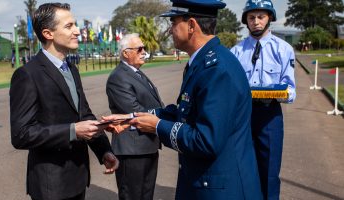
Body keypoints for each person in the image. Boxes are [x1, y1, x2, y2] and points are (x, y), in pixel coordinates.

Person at [104, 0, 262, 199]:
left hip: (221, 188)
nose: (170, 30)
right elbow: (185, 113)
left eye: (173, 22)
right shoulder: (202, 62)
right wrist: (133, 117)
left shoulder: (216, 69)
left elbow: (206, 140)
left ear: (191, 26)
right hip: (205, 181)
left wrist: (158, 126)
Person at [9, 3, 119, 200]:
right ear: (48, 33)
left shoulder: (72, 70)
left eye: (75, 25)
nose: (78, 31)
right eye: (69, 26)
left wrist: (104, 151)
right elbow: (21, 135)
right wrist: (72, 131)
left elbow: (83, 115)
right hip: (51, 185)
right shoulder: (27, 75)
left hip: (77, 177)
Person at [230, 0, 296, 199]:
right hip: (243, 116)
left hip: (269, 116)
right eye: (251, 17)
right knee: (242, 168)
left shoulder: (283, 49)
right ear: (246, 21)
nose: (256, 21)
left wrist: (279, 93)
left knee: (269, 172)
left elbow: (291, 89)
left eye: (261, 17)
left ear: (270, 18)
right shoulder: (236, 51)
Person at [106, 33, 163, 200]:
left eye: (144, 48)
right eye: (139, 49)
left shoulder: (136, 72)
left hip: (148, 145)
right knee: (132, 196)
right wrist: (162, 120)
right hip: (132, 150)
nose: (143, 51)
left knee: (146, 195)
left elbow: (155, 105)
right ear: (125, 53)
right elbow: (135, 111)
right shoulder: (118, 77)